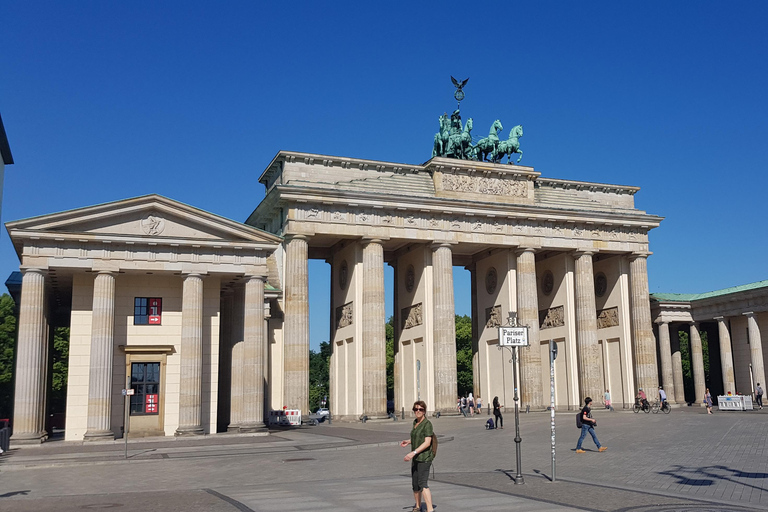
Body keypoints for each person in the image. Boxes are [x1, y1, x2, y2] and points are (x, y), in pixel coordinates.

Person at [400, 401, 434, 512]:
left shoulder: (427, 424)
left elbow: (427, 442)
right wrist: (409, 441)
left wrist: (413, 453)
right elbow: (418, 437)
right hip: (416, 458)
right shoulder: (415, 422)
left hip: (424, 458)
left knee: (422, 483)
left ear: (424, 411)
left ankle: (430, 509)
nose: (418, 411)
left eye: (420, 409)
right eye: (416, 409)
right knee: (415, 484)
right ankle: (417, 507)